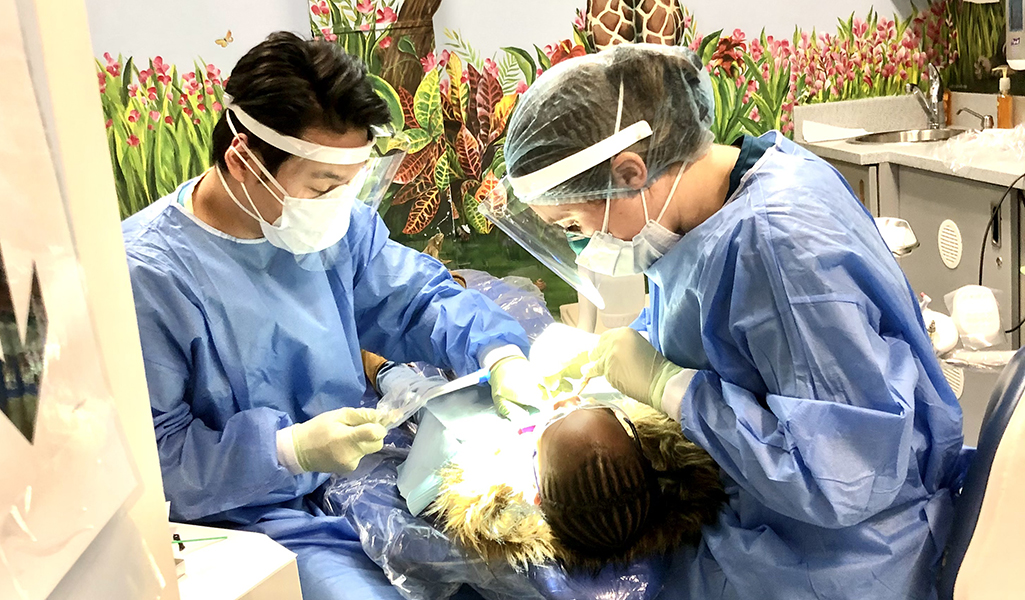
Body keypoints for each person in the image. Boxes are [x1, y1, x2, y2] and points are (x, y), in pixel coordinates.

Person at [489, 43, 969, 600]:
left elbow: (844, 475)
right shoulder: (733, 193)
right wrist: (625, 352)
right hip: (776, 517)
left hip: (838, 560)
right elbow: (725, 333)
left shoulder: (775, 244)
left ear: (629, 171)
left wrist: (669, 388)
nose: (582, 246)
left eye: (574, 222)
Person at [122, 32, 547, 600]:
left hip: (364, 472)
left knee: (523, 571)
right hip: (250, 515)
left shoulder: (333, 227)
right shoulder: (149, 275)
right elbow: (154, 460)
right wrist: (289, 450)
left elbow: (417, 298)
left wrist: (497, 352)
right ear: (243, 161)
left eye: (349, 186)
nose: (339, 205)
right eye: (324, 186)